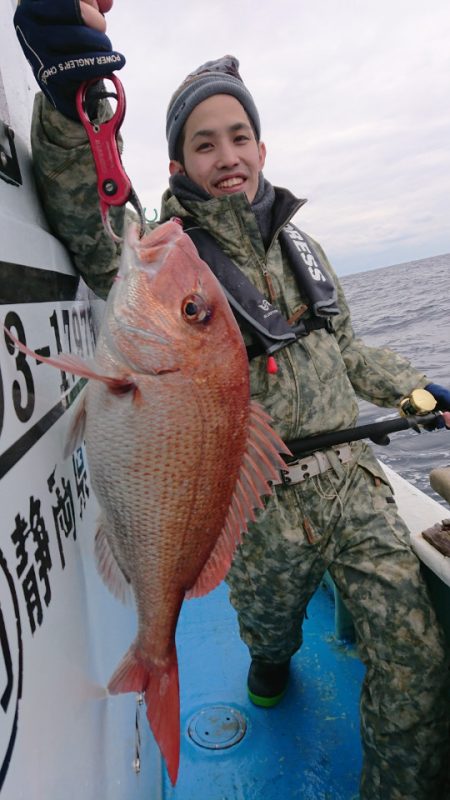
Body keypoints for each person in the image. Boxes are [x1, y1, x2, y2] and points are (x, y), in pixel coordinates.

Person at [13, 1, 450, 797]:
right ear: (177, 164)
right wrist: (67, 94)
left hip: (351, 483)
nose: (228, 155)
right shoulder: (166, 254)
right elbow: (88, 207)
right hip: (251, 513)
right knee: (270, 641)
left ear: (261, 145)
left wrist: (416, 388)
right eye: (203, 143)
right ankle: (268, 654)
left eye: (239, 136)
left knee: (417, 658)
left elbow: (345, 348)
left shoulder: (303, 246)